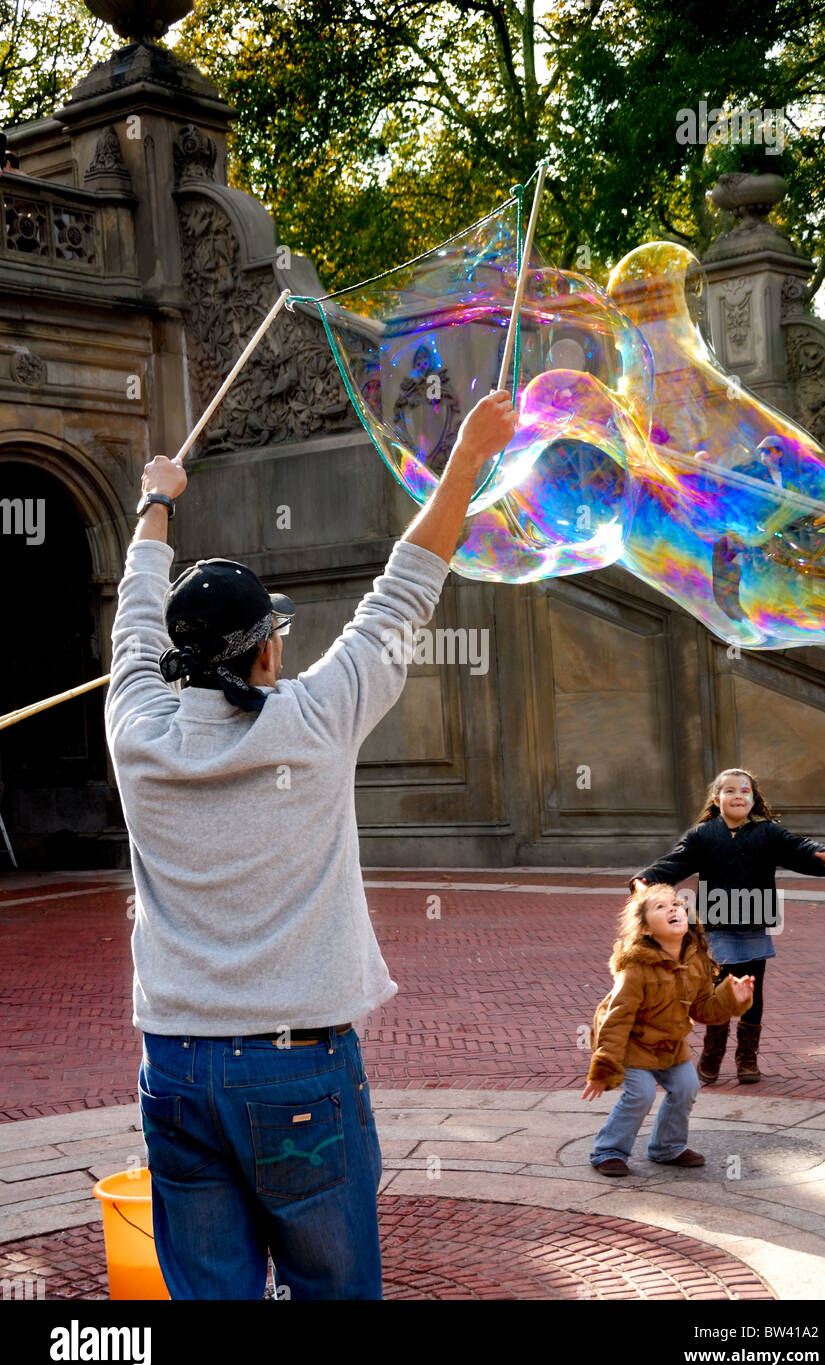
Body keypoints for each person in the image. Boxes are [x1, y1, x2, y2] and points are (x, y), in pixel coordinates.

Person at [105, 388, 517, 1300]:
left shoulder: (134, 726)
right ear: (264, 653)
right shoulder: (317, 720)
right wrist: (470, 457)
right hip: (297, 1063)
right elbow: (406, 587)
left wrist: (157, 503)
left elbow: (134, 618)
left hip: (173, 1063)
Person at [630, 768, 825, 1086]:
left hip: (754, 922)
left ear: (754, 798)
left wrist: (823, 857)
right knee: (719, 990)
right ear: (717, 800)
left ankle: (747, 1058)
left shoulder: (768, 832)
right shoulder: (702, 835)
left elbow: (797, 848)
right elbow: (676, 861)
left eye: (745, 791)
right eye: (729, 791)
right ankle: (712, 1054)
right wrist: (646, 878)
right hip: (716, 926)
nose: (737, 795)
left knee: (751, 992)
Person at [583, 883, 754, 1177]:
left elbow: (703, 1010)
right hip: (629, 1043)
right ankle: (608, 1150)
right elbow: (617, 1018)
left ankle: (667, 1147)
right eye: (660, 907)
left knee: (687, 1086)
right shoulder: (636, 967)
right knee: (642, 1094)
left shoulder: (696, 960)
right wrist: (604, 1067)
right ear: (647, 930)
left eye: (675, 903)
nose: (673, 908)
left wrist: (731, 999)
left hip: (668, 1043)